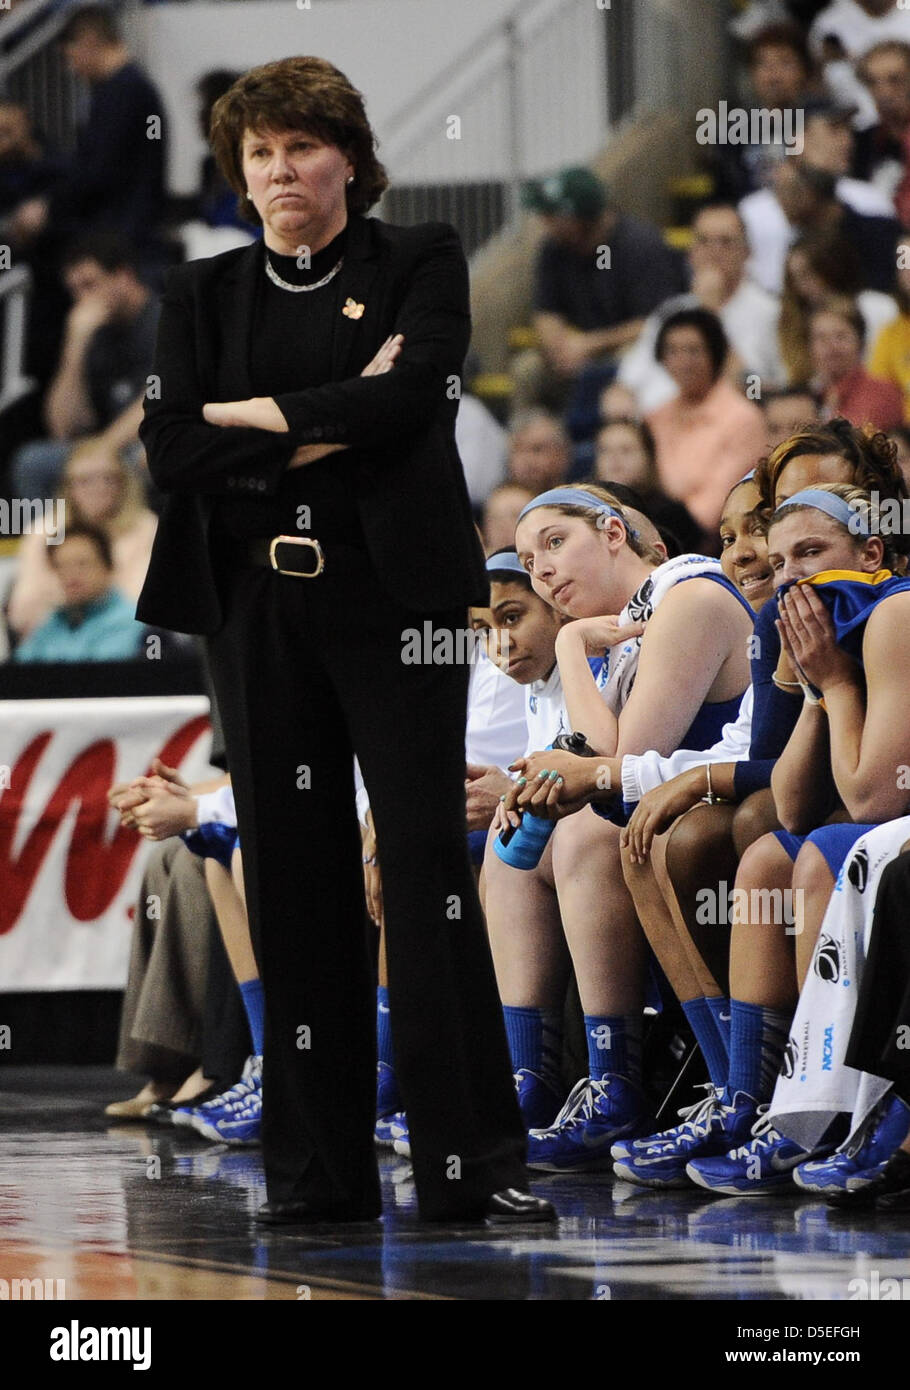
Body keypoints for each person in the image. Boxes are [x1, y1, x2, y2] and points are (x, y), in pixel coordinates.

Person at [134, 56, 547, 1227]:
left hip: (397, 604)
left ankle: (472, 1162)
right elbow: (168, 450)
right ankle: (317, 1175)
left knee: (423, 873)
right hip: (255, 607)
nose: (279, 172)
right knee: (294, 874)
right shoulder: (199, 292)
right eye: (258, 154)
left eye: (300, 149)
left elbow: (411, 398)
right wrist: (323, 420)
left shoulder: (420, 256)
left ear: (349, 162)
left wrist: (246, 420)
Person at [484, 483, 753, 1163]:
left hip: (729, 805)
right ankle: (531, 1077)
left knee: (585, 831)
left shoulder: (687, 594)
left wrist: (570, 645)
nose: (541, 569)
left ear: (611, 533)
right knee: (515, 831)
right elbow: (588, 759)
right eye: (528, 558)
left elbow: (618, 763)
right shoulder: (633, 622)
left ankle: (617, 1084)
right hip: (669, 804)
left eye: (553, 543)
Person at [9, 5, 167, 267]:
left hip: (121, 242)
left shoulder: (125, 92)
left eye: (70, 57)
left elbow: (98, 171)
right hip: (124, 234)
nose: (72, 69)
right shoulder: (128, 90)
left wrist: (48, 207)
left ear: (89, 42)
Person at [517, 166, 684, 410]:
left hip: (628, 345)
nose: (545, 223)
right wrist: (558, 346)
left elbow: (655, 322)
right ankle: (535, 440)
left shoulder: (641, 245)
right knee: (527, 369)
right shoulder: (554, 248)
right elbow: (545, 310)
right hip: (577, 346)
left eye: (552, 217)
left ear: (578, 218)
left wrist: (589, 345)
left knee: (627, 360)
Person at [9, 234, 158, 503]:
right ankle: (55, 545)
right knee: (33, 462)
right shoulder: (93, 333)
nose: (82, 298)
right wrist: (74, 346)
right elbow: (63, 427)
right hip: (105, 449)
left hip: (151, 443)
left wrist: (99, 452)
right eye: (74, 290)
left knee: (149, 457)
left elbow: (159, 400)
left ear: (123, 276)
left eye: (90, 285)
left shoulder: (167, 318)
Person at [617, 203, 786, 413]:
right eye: (704, 241)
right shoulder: (671, 310)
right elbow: (628, 379)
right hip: (655, 423)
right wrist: (619, 398)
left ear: (747, 252)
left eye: (726, 242)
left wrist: (710, 317)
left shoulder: (772, 312)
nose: (714, 252)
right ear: (691, 254)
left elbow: (760, 392)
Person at [8, 441, 157, 641]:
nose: (98, 488)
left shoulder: (145, 526)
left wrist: (77, 599)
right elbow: (23, 610)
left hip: (121, 638)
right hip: (54, 638)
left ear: (124, 483)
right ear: (68, 487)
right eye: (85, 480)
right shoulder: (44, 530)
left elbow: (143, 602)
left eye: (109, 478)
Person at [646, 308, 767, 536]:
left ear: (715, 354)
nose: (683, 362)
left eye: (693, 351)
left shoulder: (742, 418)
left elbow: (713, 509)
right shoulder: (656, 416)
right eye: (672, 351)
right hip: (658, 526)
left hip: (711, 537)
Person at [13, 522, 147, 663]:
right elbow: (17, 673)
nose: (71, 575)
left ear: (108, 566)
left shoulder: (130, 622)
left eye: (82, 564)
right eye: (62, 566)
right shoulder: (53, 622)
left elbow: (99, 679)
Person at [778, 228, 897, 385]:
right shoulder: (794, 321)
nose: (801, 286)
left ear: (830, 268)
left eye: (807, 275)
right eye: (795, 279)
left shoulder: (878, 307)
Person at [592, 416, 703, 554]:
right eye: (605, 450)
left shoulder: (672, 515)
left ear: (648, 457)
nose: (614, 458)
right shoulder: (587, 511)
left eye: (626, 450)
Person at [809, 295, 904, 426]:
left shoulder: (881, 394)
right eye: (821, 338)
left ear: (860, 342)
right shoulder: (807, 395)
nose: (831, 346)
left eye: (841, 336)